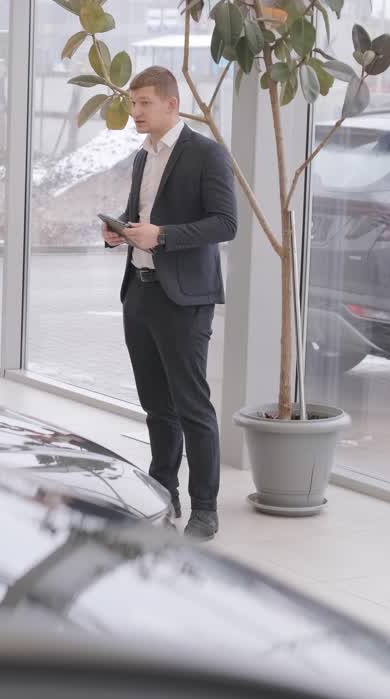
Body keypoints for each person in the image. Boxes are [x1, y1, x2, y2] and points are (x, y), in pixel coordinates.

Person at [102, 66, 237, 541]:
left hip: (184, 298)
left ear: (171, 105)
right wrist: (120, 228)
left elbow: (225, 223)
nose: (134, 112)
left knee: (192, 405)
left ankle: (205, 508)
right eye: (133, 103)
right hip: (139, 291)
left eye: (143, 104)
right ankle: (164, 490)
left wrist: (162, 237)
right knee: (156, 405)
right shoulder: (144, 156)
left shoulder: (207, 155)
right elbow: (143, 213)